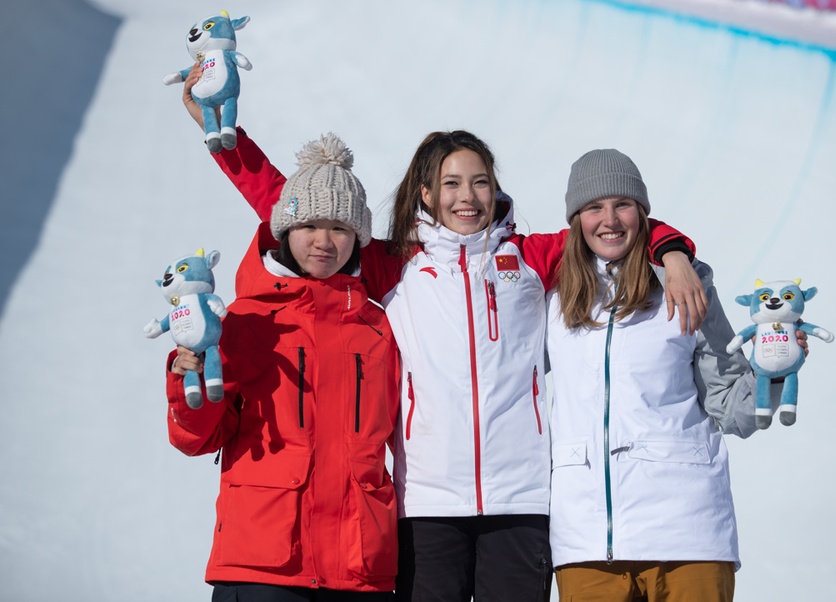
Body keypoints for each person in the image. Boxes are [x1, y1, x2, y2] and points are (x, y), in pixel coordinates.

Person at [175, 65, 707, 602]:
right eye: (451, 183)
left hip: (520, 501)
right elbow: (301, 212)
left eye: (479, 181)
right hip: (426, 504)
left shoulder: (530, 258)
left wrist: (672, 249)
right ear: (426, 193)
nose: (467, 196)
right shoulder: (397, 263)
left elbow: (606, 227)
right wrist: (225, 142)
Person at [546, 149, 804, 602]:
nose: (609, 219)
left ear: (643, 213)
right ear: (576, 219)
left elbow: (729, 403)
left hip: (688, 534)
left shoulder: (684, 287)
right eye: (593, 207)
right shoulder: (550, 296)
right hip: (585, 541)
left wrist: (771, 374)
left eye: (622, 204)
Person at [165, 134, 401, 601]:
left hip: (359, 568)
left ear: (359, 237)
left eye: (340, 227)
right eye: (309, 224)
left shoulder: (381, 326)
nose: (323, 241)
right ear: (284, 229)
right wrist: (185, 379)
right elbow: (197, 439)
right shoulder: (244, 320)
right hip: (262, 566)